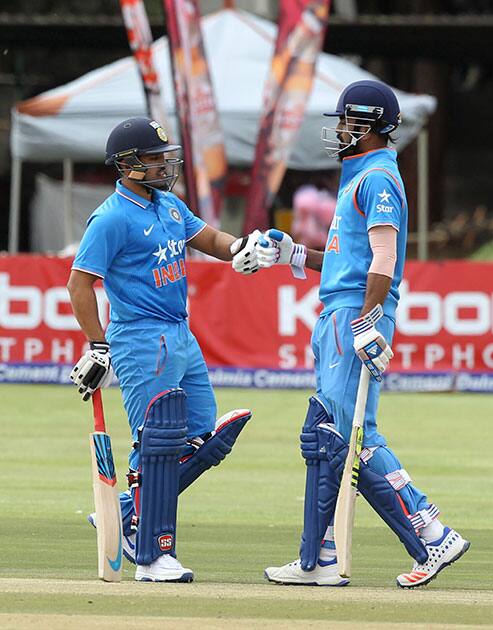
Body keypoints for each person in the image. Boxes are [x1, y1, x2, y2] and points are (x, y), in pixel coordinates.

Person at [252, 80, 470, 588]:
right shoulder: (358, 177)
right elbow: (346, 260)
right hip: (340, 309)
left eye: (348, 121)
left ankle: (427, 535)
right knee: (337, 436)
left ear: (371, 125)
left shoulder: (378, 177)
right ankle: (324, 556)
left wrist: (370, 318)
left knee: (347, 437)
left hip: (354, 312)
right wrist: (291, 256)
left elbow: (385, 257)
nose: (341, 130)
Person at [67, 116, 260, 583]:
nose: (162, 166)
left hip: (180, 332)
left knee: (202, 438)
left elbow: (207, 238)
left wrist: (239, 249)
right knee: (155, 443)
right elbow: (79, 283)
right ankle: (151, 552)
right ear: (127, 165)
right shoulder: (111, 217)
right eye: (153, 160)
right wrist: (97, 345)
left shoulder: (169, 205)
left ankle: (129, 511)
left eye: (163, 157)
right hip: (139, 337)